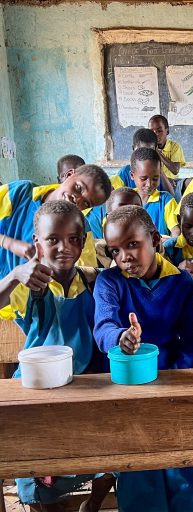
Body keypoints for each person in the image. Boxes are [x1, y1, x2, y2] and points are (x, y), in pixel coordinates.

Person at [0, 200, 114, 512]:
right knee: (39, 466)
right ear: (37, 242)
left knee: (114, 453)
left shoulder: (95, 280)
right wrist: (15, 275)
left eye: (74, 239)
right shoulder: (29, 282)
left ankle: (93, 504)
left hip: (89, 384)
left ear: (84, 241)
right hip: (39, 387)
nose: (64, 247)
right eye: (53, 239)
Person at [93, 205, 193, 512]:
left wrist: (176, 379)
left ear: (155, 240)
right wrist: (121, 338)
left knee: (182, 463)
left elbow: (191, 341)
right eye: (115, 250)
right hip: (126, 385)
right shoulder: (110, 282)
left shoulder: (181, 282)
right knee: (138, 464)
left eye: (132, 244)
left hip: (172, 383)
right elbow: (103, 327)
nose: (125, 257)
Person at [0, 165, 111, 278]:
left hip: (24, 288)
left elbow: (82, 273)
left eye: (86, 203)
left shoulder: (81, 228)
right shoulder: (20, 193)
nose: (77, 199)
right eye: (78, 188)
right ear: (69, 175)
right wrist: (8, 243)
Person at [130, 147, 178, 236]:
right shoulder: (126, 199)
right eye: (143, 178)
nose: (149, 184)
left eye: (155, 178)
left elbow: (176, 231)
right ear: (132, 175)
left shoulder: (166, 201)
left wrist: (169, 241)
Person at [94, 187, 142, 268]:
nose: (131, 216)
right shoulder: (95, 252)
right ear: (108, 217)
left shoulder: (156, 245)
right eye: (122, 211)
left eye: (137, 210)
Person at [148, 115, 190, 201]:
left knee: (188, 183)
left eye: (159, 131)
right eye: (152, 131)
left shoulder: (175, 147)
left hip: (173, 183)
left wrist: (157, 152)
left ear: (167, 131)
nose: (155, 134)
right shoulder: (147, 148)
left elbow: (175, 170)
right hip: (154, 182)